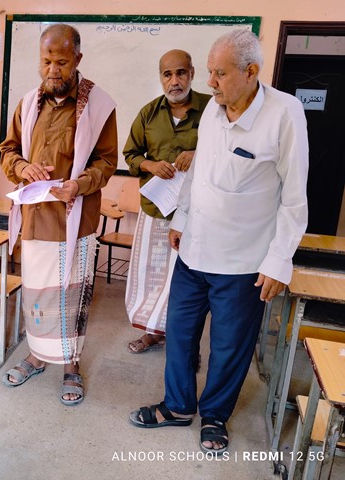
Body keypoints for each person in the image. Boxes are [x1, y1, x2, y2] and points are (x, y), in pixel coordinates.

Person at [130, 29, 308, 456]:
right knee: (180, 333)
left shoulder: (285, 114)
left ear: (251, 71)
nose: (209, 83)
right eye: (209, 72)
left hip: (243, 262)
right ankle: (177, 407)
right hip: (193, 252)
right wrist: (182, 218)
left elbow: (294, 198)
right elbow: (199, 175)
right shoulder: (214, 108)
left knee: (228, 347)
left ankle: (214, 416)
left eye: (220, 74)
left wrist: (279, 260)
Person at [0, 23, 117, 406]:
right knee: (37, 296)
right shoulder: (27, 103)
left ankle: (70, 365)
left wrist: (78, 185)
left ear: (77, 59)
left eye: (61, 62)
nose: (52, 70)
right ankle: (36, 355)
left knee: (71, 299)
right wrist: (22, 167)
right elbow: (7, 151)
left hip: (74, 222)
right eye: (46, 61)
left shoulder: (100, 105)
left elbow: (106, 162)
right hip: (35, 220)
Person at [123, 49, 211, 354]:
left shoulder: (212, 109)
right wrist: (150, 165)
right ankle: (152, 332)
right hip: (156, 209)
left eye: (181, 73)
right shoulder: (148, 113)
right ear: (161, 78)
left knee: (188, 280)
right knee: (151, 274)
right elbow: (131, 155)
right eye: (168, 74)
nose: (175, 81)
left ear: (192, 74)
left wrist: (197, 154)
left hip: (196, 213)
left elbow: (229, 149)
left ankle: (185, 343)